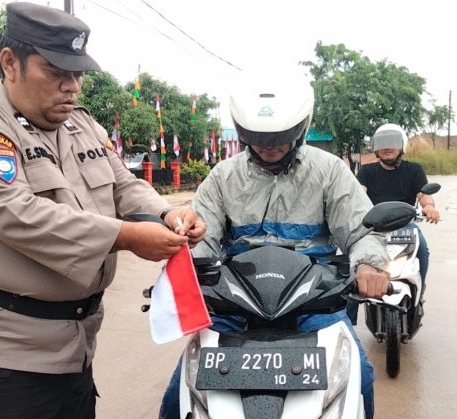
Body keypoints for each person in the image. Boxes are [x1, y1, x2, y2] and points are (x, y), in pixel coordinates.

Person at [0, 3, 205, 418]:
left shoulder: (80, 125)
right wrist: (124, 236)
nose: (71, 86)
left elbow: (123, 184)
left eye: (77, 75)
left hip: (73, 349)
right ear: (10, 64)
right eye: (56, 72)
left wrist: (166, 214)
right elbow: (20, 214)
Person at [158, 74, 391, 419]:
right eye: (258, 139)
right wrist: (185, 266)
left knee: (361, 379)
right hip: (236, 305)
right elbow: (202, 237)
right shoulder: (223, 176)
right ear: (243, 134)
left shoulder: (329, 172)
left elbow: (361, 230)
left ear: (300, 130)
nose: (268, 147)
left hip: (314, 303)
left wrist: (370, 264)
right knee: (179, 394)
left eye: (278, 140)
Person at [355, 123, 439, 310]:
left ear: (402, 145)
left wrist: (429, 207)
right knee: (351, 259)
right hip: (373, 228)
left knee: (422, 250)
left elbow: (423, 194)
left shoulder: (414, 170)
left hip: (405, 225)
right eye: (382, 143)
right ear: (376, 147)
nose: (387, 147)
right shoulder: (367, 171)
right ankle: (348, 313)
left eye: (392, 142)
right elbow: (358, 195)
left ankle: (419, 294)